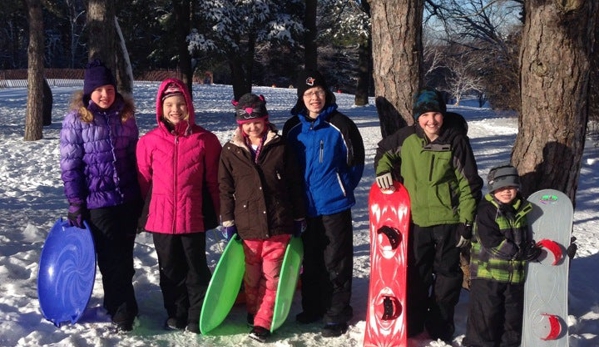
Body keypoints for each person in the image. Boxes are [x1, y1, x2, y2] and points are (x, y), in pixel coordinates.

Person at [374, 87, 483, 342]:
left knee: (447, 276)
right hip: (415, 221)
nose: (430, 121)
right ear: (416, 117)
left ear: (443, 115)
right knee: (415, 273)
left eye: (435, 114)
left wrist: (466, 223)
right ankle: (412, 321)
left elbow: (470, 184)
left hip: (449, 222)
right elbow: (383, 152)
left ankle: (440, 325)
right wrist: (382, 171)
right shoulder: (406, 138)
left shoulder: (455, 140)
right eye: (425, 115)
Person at [59, 59, 141, 332]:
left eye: (109, 88)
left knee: (125, 258)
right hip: (98, 202)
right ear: (88, 93)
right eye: (98, 90)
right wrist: (76, 203)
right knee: (110, 258)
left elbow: (135, 157)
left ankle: (119, 301)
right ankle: (122, 311)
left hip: (127, 198)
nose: (105, 94)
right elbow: (70, 166)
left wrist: (141, 194)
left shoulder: (126, 116)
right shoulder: (77, 120)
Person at [282, 70, 365, 338]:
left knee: (336, 261)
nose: (314, 98)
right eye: (308, 94)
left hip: (333, 206)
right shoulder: (291, 127)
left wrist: (340, 188)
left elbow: (356, 161)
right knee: (312, 260)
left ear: (326, 93)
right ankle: (313, 307)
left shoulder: (341, 124)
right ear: (301, 98)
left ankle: (336, 313)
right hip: (305, 207)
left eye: (318, 92)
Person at [219, 93, 307, 343]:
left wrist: (299, 216)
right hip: (247, 227)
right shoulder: (231, 152)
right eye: (246, 122)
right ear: (240, 125)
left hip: (278, 223)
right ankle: (252, 311)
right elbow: (224, 188)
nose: (252, 126)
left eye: (257, 120)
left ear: (265, 120)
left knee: (272, 277)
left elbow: (294, 184)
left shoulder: (281, 148)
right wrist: (227, 221)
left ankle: (263, 322)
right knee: (252, 276)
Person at [136, 78, 222, 334]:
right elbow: (143, 180)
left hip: (192, 216)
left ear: (189, 106)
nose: (175, 109)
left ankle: (197, 315)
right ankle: (176, 313)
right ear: (161, 109)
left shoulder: (205, 139)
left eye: (181, 104)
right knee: (169, 270)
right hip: (161, 219)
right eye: (170, 104)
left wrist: (219, 212)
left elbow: (213, 181)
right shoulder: (149, 141)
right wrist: (146, 211)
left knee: (196, 269)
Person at [463, 164, 542, 347]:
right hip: (487, 276)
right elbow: (492, 243)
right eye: (501, 188)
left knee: (512, 320)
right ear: (493, 188)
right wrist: (520, 253)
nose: (506, 192)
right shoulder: (486, 211)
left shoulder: (522, 209)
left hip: (513, 277)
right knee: (485, 318)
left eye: (511, 187)